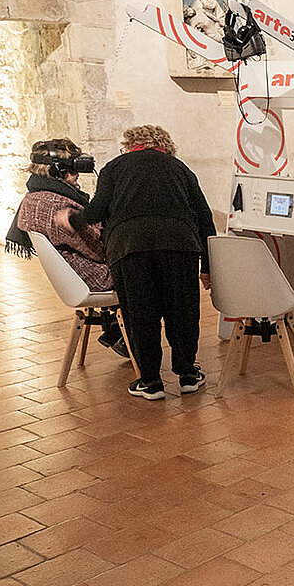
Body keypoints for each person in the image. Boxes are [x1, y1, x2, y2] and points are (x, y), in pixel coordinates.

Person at [54, 125, 215, 400]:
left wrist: (70, 218)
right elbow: (205, 218)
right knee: (183, 311)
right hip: (179, 246)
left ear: (129, 145)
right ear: (166, 146)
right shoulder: (180, 169)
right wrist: (208, 268)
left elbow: (96, 210)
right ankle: (188, 374)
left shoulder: (114, 167)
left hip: (129, 248)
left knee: (141, 314)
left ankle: (150, 381)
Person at [5, 139, 127, 357]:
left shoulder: (33, 198)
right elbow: (99, 250)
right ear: (57, 170)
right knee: (150, 273)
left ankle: (118, 333)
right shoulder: (59, 205)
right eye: (73, 167)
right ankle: (134, 344)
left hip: (76, 274)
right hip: (92, 275)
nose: (78, 172)